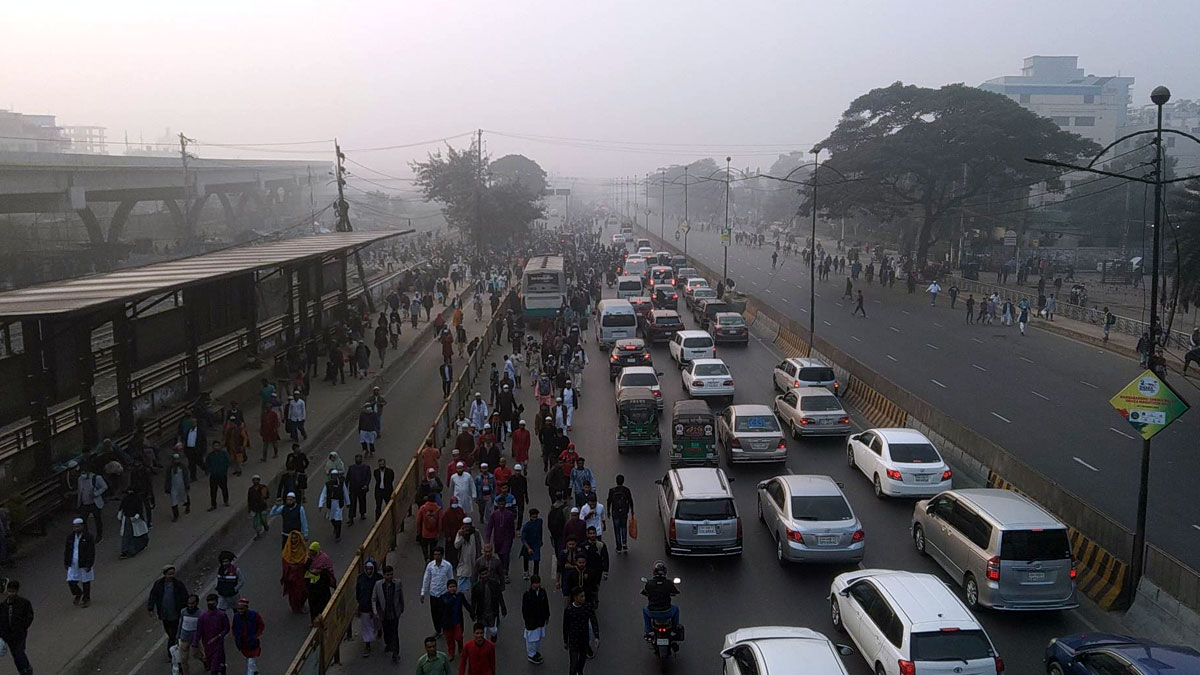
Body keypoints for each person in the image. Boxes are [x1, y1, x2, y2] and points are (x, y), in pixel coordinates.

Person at [147, 564, 188, 662]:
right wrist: (150, 608)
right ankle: (176, 648)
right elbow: (153, 595)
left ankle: (172, 654)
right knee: (169, 633)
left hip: (176, 613)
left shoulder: (178, 584)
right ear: (165, 574)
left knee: (173, 634)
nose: (171, 576)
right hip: (165, 614)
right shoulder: (158, 584)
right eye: (169, 574)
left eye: (173, 574)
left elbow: (185, 596)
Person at [371, 565, 404, 664]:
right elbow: (374, 598)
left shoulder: (397, 583)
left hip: (394, 613)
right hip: (384, 613)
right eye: (388, 575)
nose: (390, 577)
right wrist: (375, 612)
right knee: (387, 630)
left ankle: (396, 652)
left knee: (395, 632)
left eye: (391, 574)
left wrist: (401, 608)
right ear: (384, 575)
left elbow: (400, 597)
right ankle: (388, 644)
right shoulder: (378, 585)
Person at [0, 579, 34, 675]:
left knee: (19, 651)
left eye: (13, 591)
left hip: (19, 633)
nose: (11, 594)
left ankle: (26, 669)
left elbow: (29, 616)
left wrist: (23, 627)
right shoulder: (3, 606)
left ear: (17, 591)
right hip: (8, 635)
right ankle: (22, 669)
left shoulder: (24, 603)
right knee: (15, 654)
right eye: (9, 591)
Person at [563, 586, 598, 675]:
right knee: (573, 664)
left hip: (584, 640)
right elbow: (565, 626)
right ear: (575, 597)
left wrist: (596, 636)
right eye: (581, 596)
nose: (583, 598)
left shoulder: (587, 607)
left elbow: (593, 620)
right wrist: (565, 641)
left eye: (584, 596)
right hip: (574, 641)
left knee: (581, 662)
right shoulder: (569, 610)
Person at [421, 546, 456, 634]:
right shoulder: (430, 566)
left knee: (443, 613)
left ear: (442, 555)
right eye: (435, 554)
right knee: (434, 613)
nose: (436, 556)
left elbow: (450, 579)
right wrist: (423, 592)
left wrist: (452, 592)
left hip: (443, 593)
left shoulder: (447, 566)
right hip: (433, 593)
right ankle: (437, 630)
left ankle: (445, 629)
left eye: (438, 554)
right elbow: (426, 579)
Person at [641, 560, 680, 633]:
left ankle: (648, 629)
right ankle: (675, 627)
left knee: (644, 609)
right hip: (667, 611)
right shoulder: (669, 583)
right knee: (676, 609)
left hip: (652, 611)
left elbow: (644, 592)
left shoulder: (649, 583)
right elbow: (676, 592)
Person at [64, 517, 96, 607]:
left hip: (84, 562)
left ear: (82, 526)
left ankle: (86, 599)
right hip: (73, 562)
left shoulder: (88, 537)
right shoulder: (70, 537)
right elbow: (67, 550)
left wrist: (89, 564)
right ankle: (78, 593)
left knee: (85, 581)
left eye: (78, 527)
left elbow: (91, 552)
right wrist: (66, 563)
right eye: (74, 527)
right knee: (71, 581)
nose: (76, 529)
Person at [436, 578, 470, 660]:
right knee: (449, 639)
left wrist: (472, 613)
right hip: (447, 623)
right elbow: (441, 610)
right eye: (450, 587)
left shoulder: (460, 596)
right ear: (447, 588)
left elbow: (466, 605)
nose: (452, 588)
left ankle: (461, 648)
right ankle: (451, 653)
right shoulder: (444, 597)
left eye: (454, 586)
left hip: (457, 621)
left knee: (459, 637)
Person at [470, 566, 506, 643]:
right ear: (480, 575)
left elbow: (500, 596)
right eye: (482, 574)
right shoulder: (476, 587)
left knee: (493, 630)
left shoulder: (494, 584)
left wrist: (503, 608)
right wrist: (472, 613)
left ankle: (494, 635)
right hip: (481, 613)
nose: (485, 576)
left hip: (492, 612)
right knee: (483, 632)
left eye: (486, 573)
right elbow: (473, 601)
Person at [486, 494, 517, 581]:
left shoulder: (509, 514)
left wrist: (512, 536)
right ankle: (500, 571)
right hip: (497, 538)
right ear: (498, 504)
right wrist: (488, 539)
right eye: (500, 504)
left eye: (503, 504)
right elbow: (490, 527)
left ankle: (505, 572)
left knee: (506, 554)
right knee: (500, 555)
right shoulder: (494, 514)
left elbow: (512, 526)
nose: (502, 506)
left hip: (507, 538)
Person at [354, 559, 382, 656]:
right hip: (365, 606)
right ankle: (367, 645)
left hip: (376, 606)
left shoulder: (378, 578)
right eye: (367, 569)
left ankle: (379, 630)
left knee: (377, 622)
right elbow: (358, 592)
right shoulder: (361, 578)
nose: (369, 571)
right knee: (366, 627)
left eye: (371, 569)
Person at [197, 593, 230, 675]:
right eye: (209, 603)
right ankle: (222, 669)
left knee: (214, 668)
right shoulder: (203, 616)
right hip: (207, 644)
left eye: (213, 603)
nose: (211, 605)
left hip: (218, 644)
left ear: (216, 603)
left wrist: (219, 636)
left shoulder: (221, 615)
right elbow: (199, 630)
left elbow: (226, 628)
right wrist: (195, 642)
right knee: (212, 662)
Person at [521, 574, 550, 665]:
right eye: (535, 584)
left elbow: (546, 604)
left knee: (538, 638)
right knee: (531, 639)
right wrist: (527, 620)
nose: (537, 585)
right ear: (532, 584)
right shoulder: (527, 594)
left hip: (540, 620)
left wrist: (547, 616)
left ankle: (536, 652)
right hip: (531, 621)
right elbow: (524, 609)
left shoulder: (542, 592)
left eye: (538, 583)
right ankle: (531, 654)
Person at [231, 597, 265, 675]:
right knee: (249, 661)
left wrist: (256, 635)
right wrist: (236, 637)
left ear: (246, 608)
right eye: (238, 609)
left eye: (242, 609)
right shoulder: (236, 617)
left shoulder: (254, 615)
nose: (240, 611)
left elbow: (261, 625)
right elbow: (234, 627)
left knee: (250, 662)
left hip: (252, 642)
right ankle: (255, 672)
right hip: (243, 644)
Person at [305, 541, 336, 622]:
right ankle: (314, 620)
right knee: (313, 603)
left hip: (322, 585)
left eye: (312, 551)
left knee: (324, 603)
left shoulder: (324, 558)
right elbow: (305, 568)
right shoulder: (309, 558)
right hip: (312, 586)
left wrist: (320, 572)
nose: (311, 552)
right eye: (310, 550)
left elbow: (328, 570)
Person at [280, 531, 309, 614]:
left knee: (305, 591)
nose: (294, 540)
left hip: (302, 574)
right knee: (295, 594)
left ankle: (301, 605)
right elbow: (285, 562)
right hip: (292, 577)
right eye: (292, 538)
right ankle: (297, 607)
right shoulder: (287, 551)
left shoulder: (302, 548)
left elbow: (306, 557)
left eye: (296, 538)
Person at [75, 467, 108, 542]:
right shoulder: (80, 479)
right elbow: (80, 492)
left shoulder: (96, 478)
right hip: (85, 503)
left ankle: (99, 535)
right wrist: (78, 503)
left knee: (97, 519)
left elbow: (104, 487)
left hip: (94, 503)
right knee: (83, 520)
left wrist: (96, 493)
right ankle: (86, 535)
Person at [318, 469, 351, 542]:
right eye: (333, 476)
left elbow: (345, 493)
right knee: (332, 518)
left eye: (336, 476)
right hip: (331, 504)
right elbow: (323, 495)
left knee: (338, 519)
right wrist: (321, 504)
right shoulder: (327, 484)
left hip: (339, 504)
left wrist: (348, 502)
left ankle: (338, 536)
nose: (334, 477)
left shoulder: (341, 484)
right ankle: (335, 527)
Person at [118, 488, 150, 558]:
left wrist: (135, 517)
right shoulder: (135, 498)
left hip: (132, 520)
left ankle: (129, 550)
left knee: (129, 535)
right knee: (130, 535)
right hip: (130, 519)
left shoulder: (129, 498)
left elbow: (122, 508)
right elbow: (139, 510)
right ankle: (128, 550)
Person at [606, 474, 634, 553]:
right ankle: (624, 543)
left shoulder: (612, 490)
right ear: (623, 481)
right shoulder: (626, 490)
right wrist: (632, 511)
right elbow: (630, 500)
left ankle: (619, 547)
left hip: (615, 512)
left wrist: (608, 511)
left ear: (616, 481)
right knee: (623, 527)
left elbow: (609, 501)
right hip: (624, 512)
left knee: (617, 529)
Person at [454, 517, 482, 593]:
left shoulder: (476, 533)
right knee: (463, 576)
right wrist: (462, 536)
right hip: (463, 560)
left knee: (474, 579)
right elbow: (456, 545)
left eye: (468, 525)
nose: (467, 527)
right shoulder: (460, 533)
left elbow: (481, 544)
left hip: (474, 559)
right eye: (465, 525)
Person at [175, 593, 202, 675]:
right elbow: (180, 623)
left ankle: (204, 660)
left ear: (196, 603)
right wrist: (177, 636)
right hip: (184, 638)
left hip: (194, 639)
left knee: (196, 655)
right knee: (183, 659)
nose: (190, 605)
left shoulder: (200, 613)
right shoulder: (183, 611)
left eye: (192, 603)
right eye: (189, 603)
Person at [204, 441, 231, 511]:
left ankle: (226, 501)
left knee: (224, 488)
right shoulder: (210, 455)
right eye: (214, 446)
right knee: (213, 491)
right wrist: (209, 471)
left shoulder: (223, 454)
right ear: (212, 447)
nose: (216, 447)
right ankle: (213, 504)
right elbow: (207, 464)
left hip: (222, 475)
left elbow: (227, 462)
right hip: (213, 476)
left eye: (217, 446)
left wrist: (224, 470)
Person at [417, 495, 444, 562]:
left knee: (424, 546)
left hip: (425, 533)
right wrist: (439, 532)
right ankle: (432, 559)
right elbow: (440, 521)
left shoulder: (423, 508)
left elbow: (418, 520)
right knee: (433, 547)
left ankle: (426, 558)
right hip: (434, 533)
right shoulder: (438, 509)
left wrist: (418, 531)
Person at [347, 454, 371, 526]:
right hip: (353, 488)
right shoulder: (351, 468)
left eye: (359, 458)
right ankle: (351, 518)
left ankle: (362, 513)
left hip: (362, 488)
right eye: (356, 458)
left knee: (362, 501)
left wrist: (366, 485)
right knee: (352, 503)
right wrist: (345, 487)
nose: (358, 460)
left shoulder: (366, 467)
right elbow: (348, 477)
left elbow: (368, 477)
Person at [519, 507, 544, 580]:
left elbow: (540, 531)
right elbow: (523, 539)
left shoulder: (539, 522)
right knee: (526, 557)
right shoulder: (526, 526)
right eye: (533, 517)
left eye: (536, 517)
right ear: (530, 516)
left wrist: (541, 540)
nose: (535, 519)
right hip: (528, 544)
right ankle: (526, 572)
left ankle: (536, 575)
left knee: (537, 560)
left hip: (536, 543)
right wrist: (528, 548)